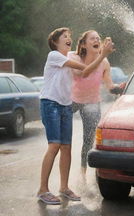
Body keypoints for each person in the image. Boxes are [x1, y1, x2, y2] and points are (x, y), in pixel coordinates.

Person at [37, 27, 114, 205]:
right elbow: (85, 70)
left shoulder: (68, 57)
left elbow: (89, 70)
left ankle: (64, 187)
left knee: (66, 147)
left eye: (69, 36)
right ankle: (42, 189)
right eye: (64, 36)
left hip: (64, 105)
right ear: (55, 42)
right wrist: (103, 54)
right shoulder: (55, 56)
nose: (68, 38)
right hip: (51, 103)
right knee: (54, 145)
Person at [68, 30, 125, 176]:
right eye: (92, 38)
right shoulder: (73, 57)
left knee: (88, 142)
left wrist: (120, 88)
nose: (96, 40)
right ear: (84, 44)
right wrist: (103, 55)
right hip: (73, 101)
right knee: (63, 139)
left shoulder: (104, 62)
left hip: (92, 103)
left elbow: (110, 86)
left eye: (98, 38)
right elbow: (82, 73)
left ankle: (83, 177)